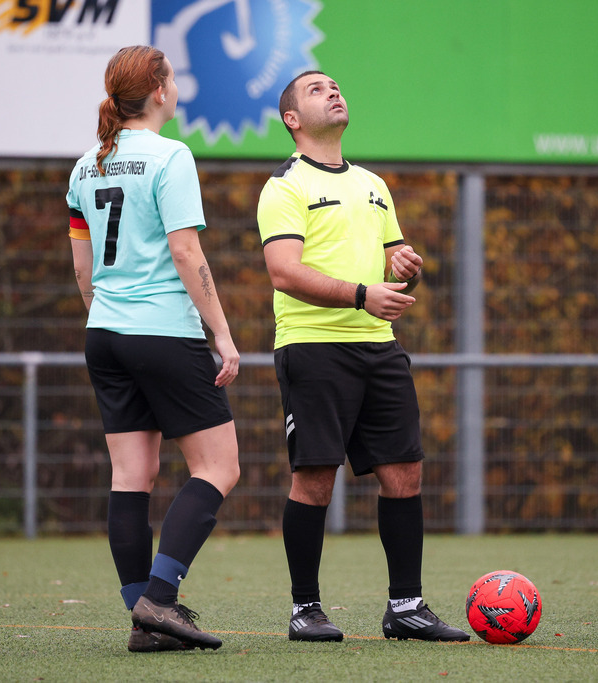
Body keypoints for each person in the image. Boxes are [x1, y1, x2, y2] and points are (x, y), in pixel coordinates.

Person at [255, 70, 469, 643]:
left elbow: (392, 249)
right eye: (317, 89)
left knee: (405, 472)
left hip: (379, 347)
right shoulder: (284, 187)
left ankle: (407, 606)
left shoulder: (374, 183)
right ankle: (306, 609)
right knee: (316, 478)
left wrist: (404, 261)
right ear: (292, 120)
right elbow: (284, 272)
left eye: (335, 85)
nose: (333, 91)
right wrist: (360, 294)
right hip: (313, 347)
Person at [66, 45, 240, 653]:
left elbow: (83, 270)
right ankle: (160, 601)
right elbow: (187, 253)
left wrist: (107, 321)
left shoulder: (86, 165)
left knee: (130, 475)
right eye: (172, 77)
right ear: (161, 90)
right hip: (162, 328)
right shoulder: (171, 155)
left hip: (104, 332)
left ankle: (143, 623)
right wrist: (220, 330)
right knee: (219, 468)